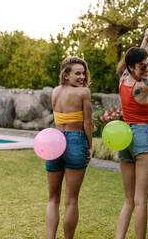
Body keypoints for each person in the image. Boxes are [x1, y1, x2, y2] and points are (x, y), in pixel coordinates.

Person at [115, 7, 148, 239]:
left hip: (125, 137)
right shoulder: (142, 87)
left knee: (129, 200)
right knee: (141, 201)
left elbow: (139, 52)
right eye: (144, 66)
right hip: (143, 137)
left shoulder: (124, 79)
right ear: (132, 67)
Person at [45, 56, 94, 239]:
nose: (82, 77)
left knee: (53, 199)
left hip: (54, 142)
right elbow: (87, 124)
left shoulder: (55, 91)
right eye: (77, 73)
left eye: (83, 73)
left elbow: (57, 119)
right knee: (71, 200)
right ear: (65, 75)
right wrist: (90, 147)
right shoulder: (83, 93)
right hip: (76, 140)